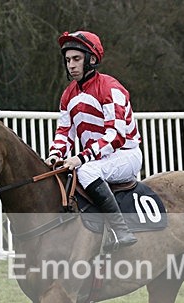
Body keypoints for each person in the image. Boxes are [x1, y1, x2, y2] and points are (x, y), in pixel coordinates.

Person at [45, 30, 141, 252]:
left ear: (92, 59)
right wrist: (55, 155)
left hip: (126, 154)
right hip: (98, 158)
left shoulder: (110, 87)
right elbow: (64, 132)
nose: (71, 65)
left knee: (86, 172)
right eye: (68, 60)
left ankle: (121, 230)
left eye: (76, 59)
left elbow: (116, 136)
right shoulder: (67, 95)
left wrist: (81, 157)